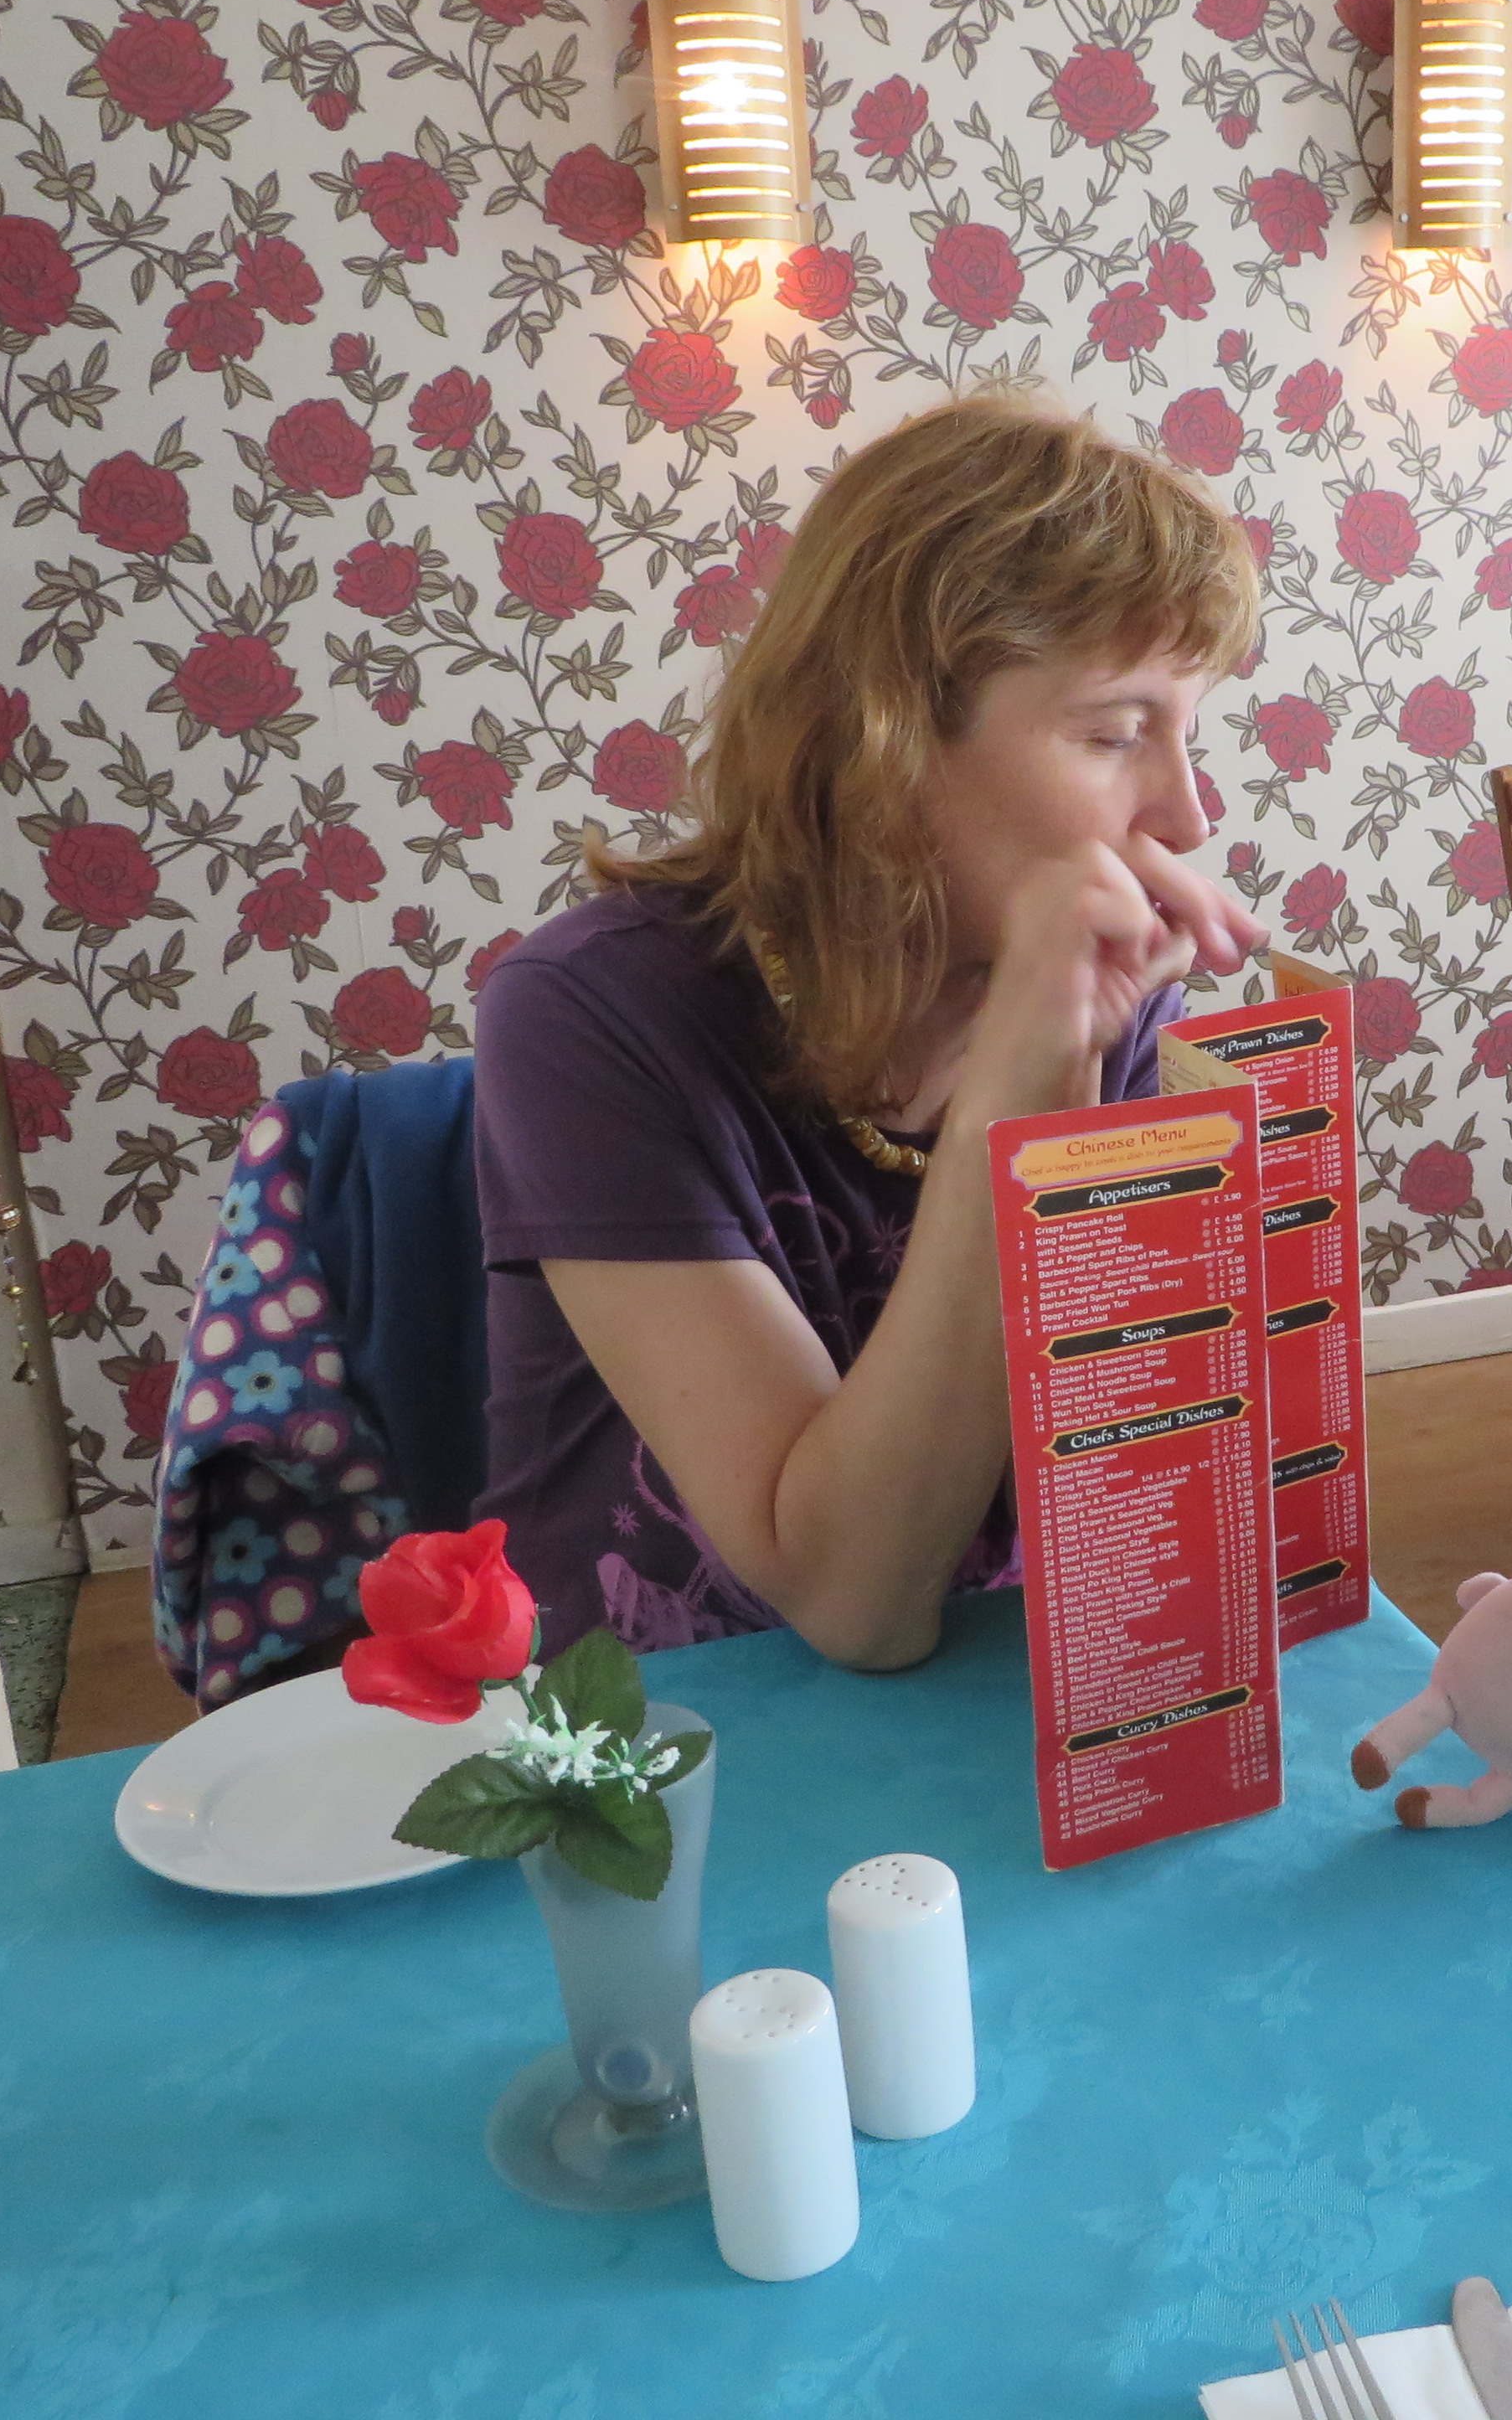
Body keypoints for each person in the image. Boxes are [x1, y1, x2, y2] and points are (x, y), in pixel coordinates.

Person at [470, 395, 1263, 1670]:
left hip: (989, 1669)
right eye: (1117, 734)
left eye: (1187, 731)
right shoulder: (585, 1016)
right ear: (884, 738)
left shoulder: (1104, 1000)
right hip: (675, 1715)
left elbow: (1117, 1458)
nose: (1186, 815)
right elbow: (852, 1600)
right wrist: (1016, 1111)